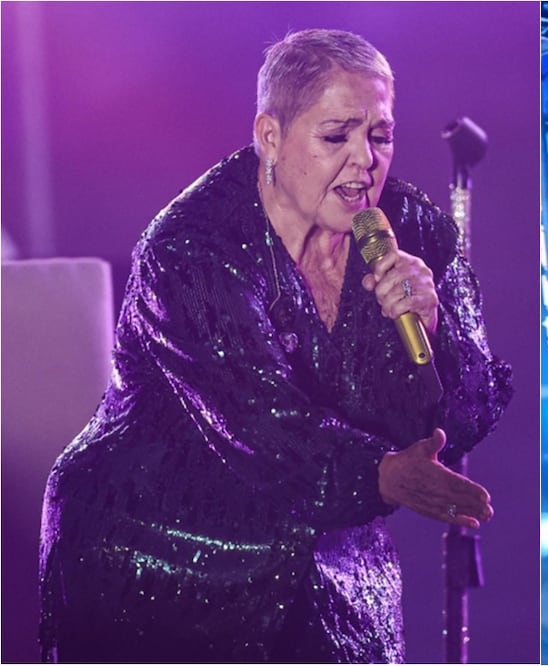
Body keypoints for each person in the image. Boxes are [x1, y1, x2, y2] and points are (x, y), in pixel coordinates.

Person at [38, 29, 513, 663]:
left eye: (380, 135)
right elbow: (258, 425)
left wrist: (431, 329)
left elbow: (471, 408)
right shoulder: (190, 249)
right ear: (270, 137)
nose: (364, 161)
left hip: (327, 550)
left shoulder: (413, 228)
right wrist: (382, 475)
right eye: (336, 136)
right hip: (159, 553)